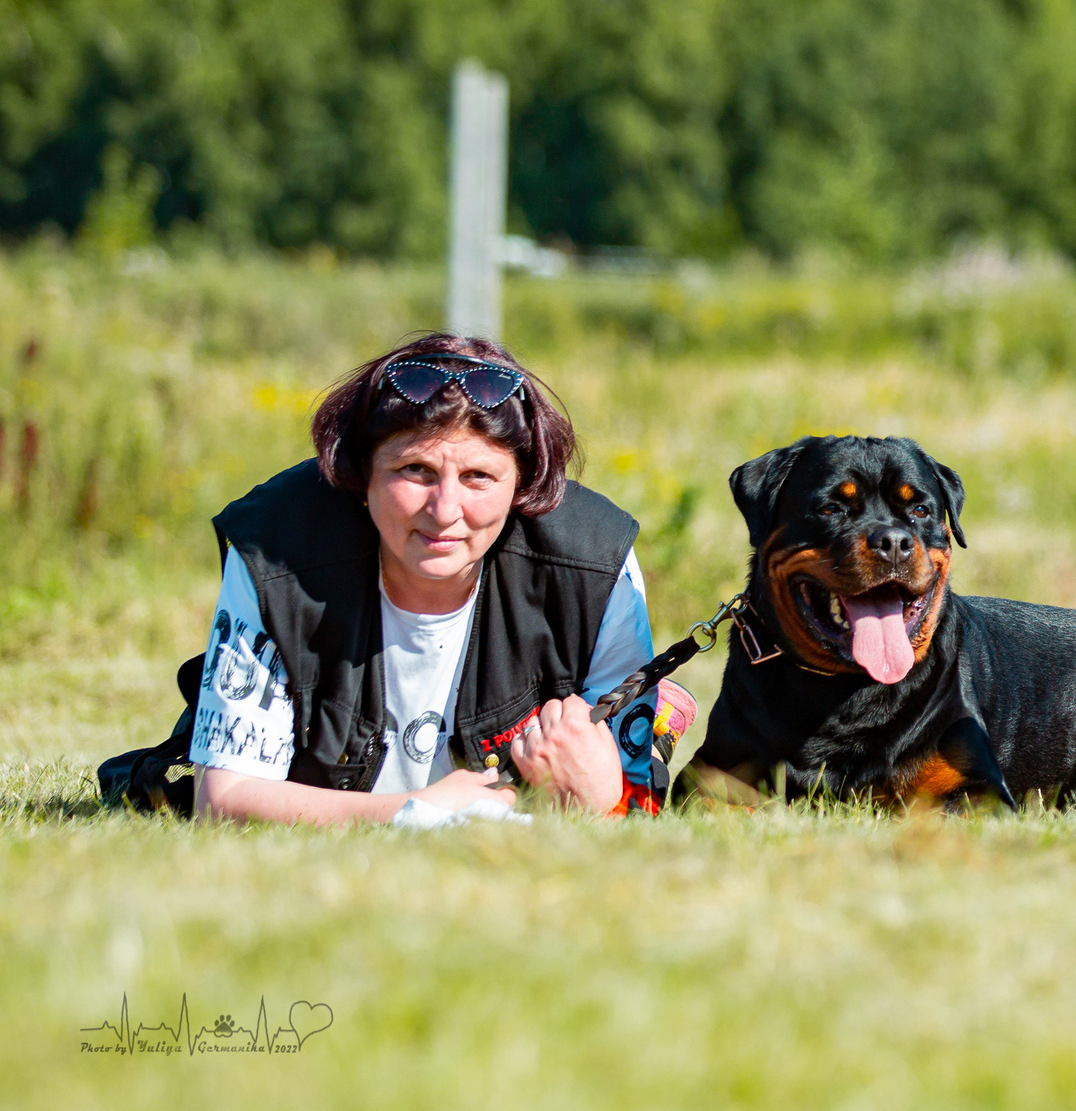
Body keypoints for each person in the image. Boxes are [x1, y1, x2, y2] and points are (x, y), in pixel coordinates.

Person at [100, 334, 666, 823]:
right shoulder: (274, 549)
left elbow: (633, 805)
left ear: (521, 485)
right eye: (413, 471)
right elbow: (222, 801)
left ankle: (667, 708)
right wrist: (421, 811)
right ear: (361, 475)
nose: (445, 510)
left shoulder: (597, 563)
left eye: (478, 477)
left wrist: (602, 795)